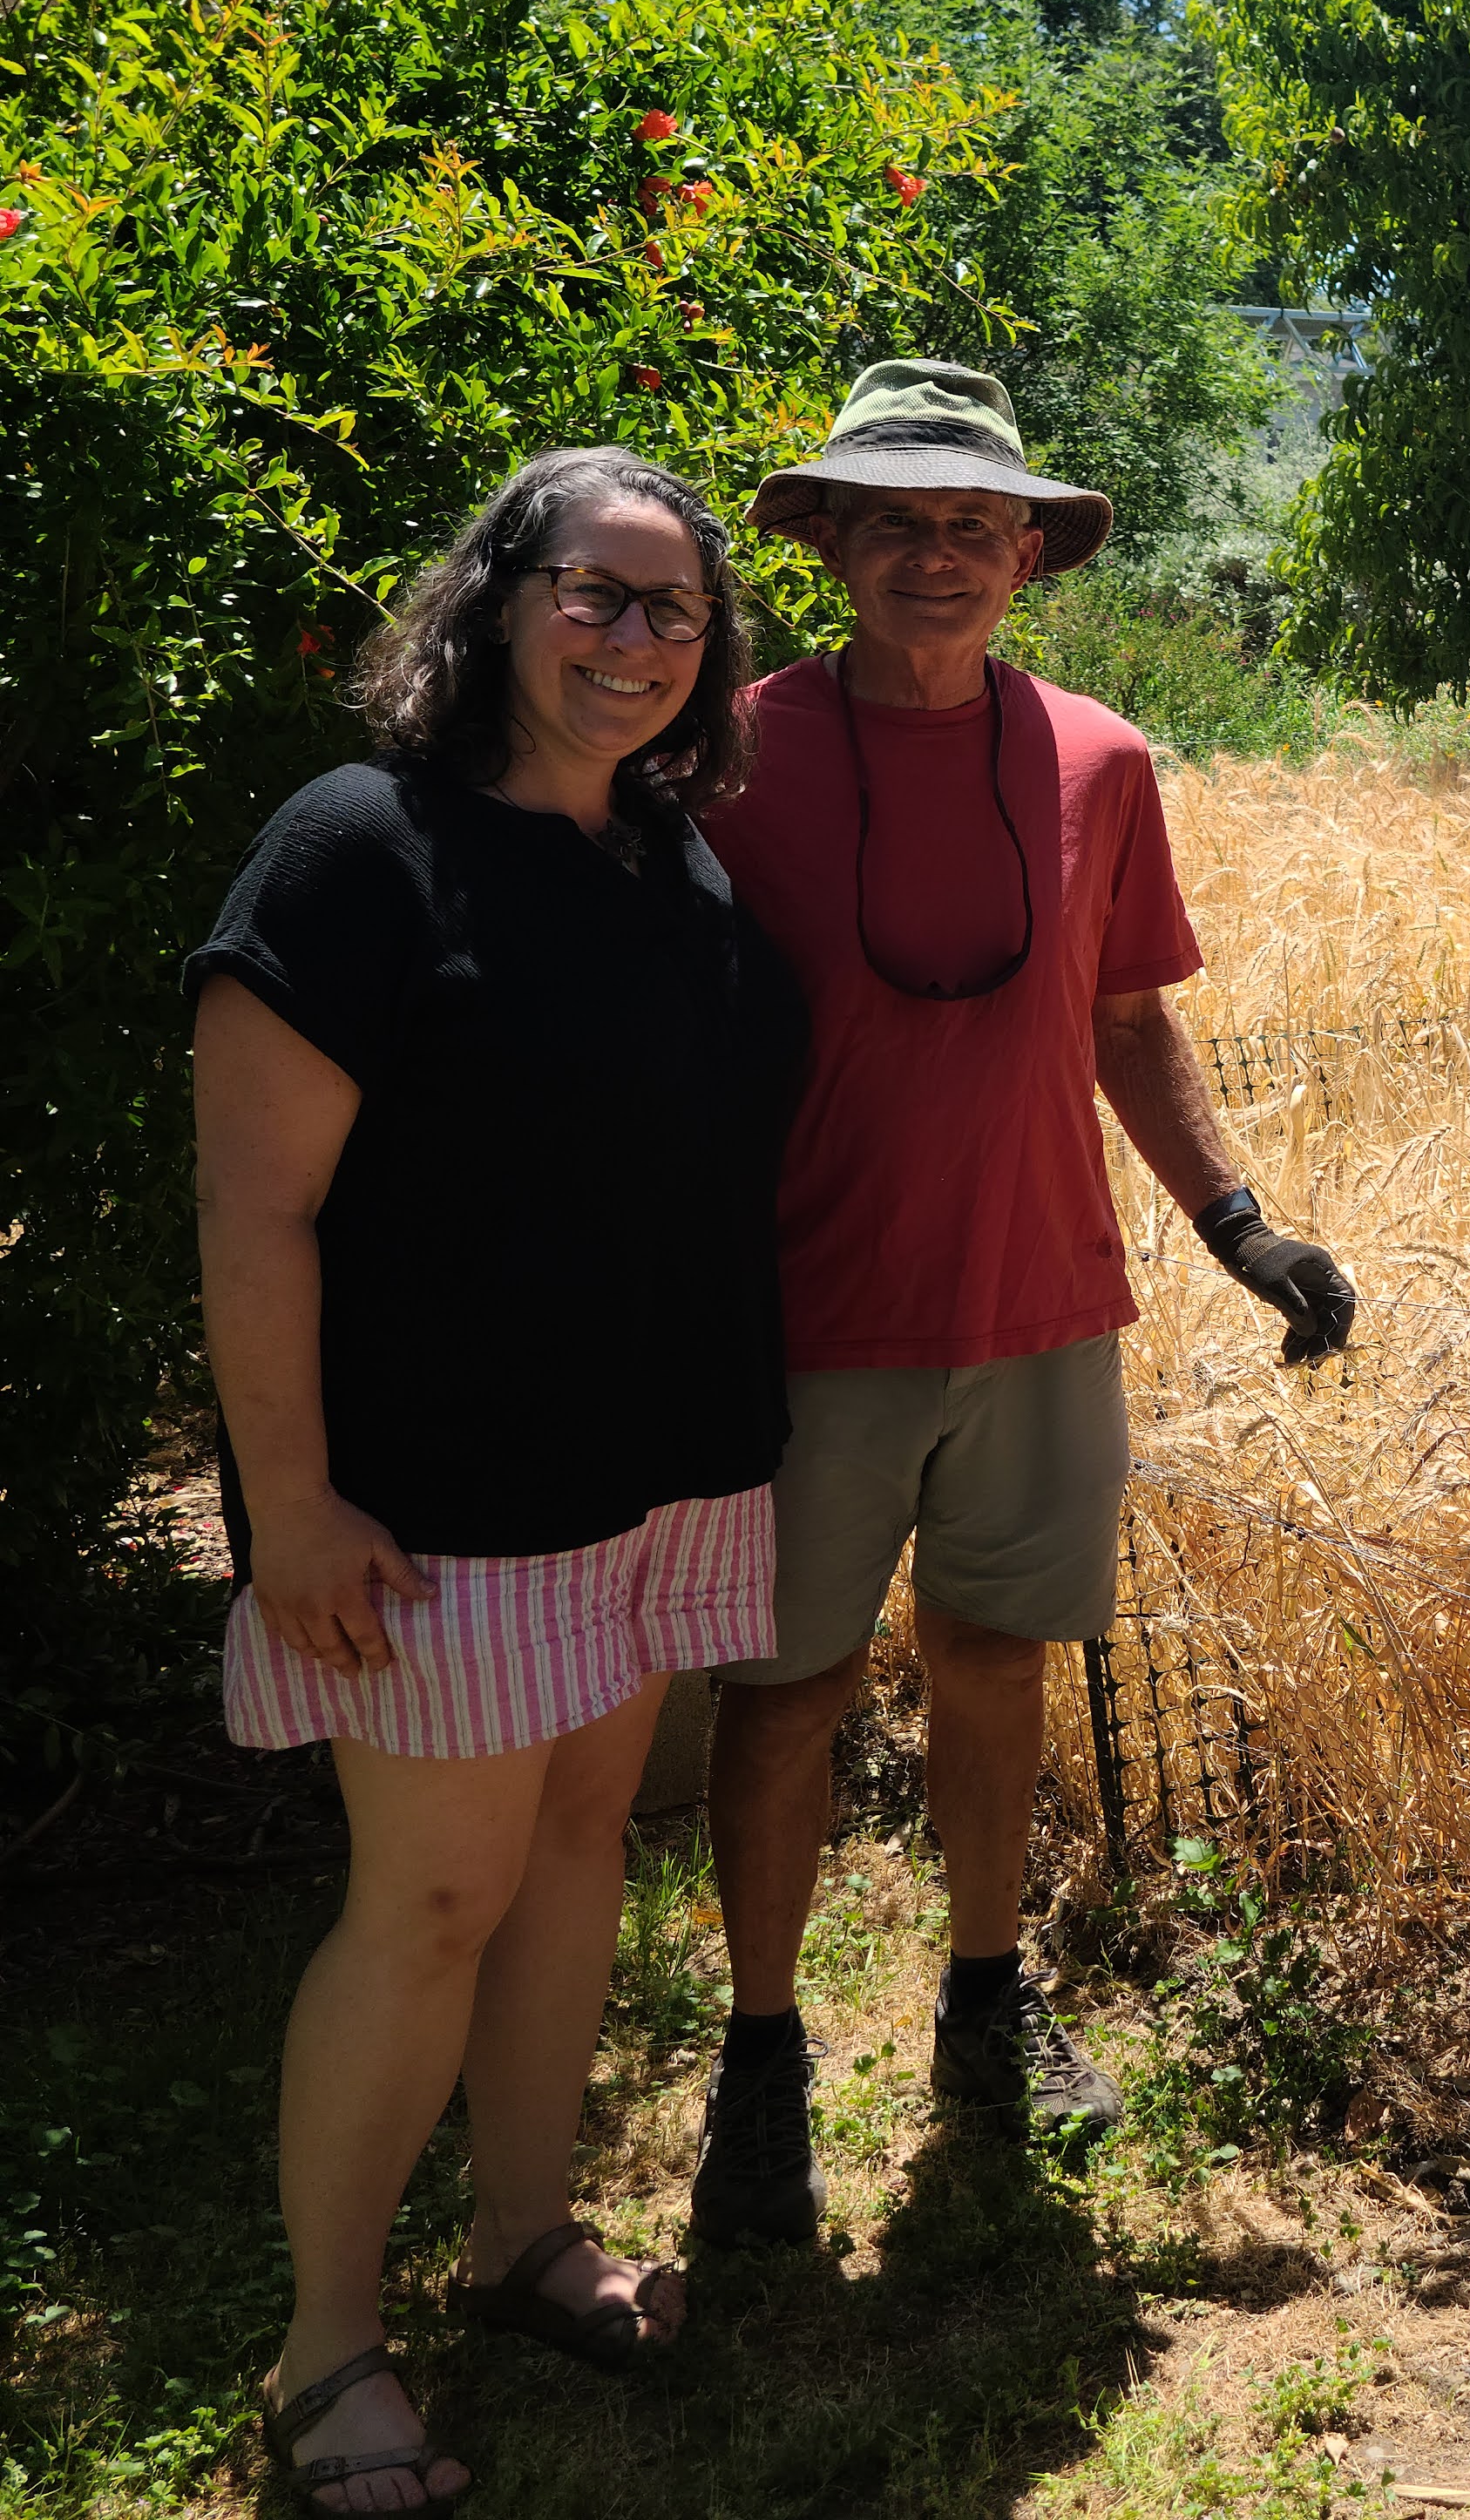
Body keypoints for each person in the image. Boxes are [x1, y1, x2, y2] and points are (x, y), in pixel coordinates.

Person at [196, 451, 808, 2514]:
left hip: (646, 1476)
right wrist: (289, 1508)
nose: (635, 641)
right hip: (438, 1496)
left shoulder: (668, 860)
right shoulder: (355, 849)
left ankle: (522, 2235)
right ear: (498, 600)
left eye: (676, 611)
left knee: (570, 1854)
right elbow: (255, 1212)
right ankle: (324, 2348)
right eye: (596, 594)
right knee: (433, 1894)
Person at [687, 361, 1352, 2250]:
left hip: (1042, 1307)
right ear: (823, 538)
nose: (936, 554)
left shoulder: (1098, 760)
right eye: (893, 517)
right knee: (791, 1689)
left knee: (995, 1662)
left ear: (1028, 556)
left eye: (973, 524)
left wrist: (1237, 1223)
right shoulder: (725, 754)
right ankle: (758, 2056)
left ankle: (986, 1996)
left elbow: (1129, 1019)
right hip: (805, 1318)